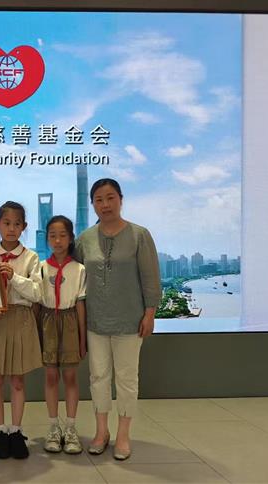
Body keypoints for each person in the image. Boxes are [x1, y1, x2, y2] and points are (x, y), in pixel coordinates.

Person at [75, 178, 161, 461]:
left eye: (110, 198)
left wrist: (150, 313)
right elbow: (75, 278)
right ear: (92, 204)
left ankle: (123, 434)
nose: (105, 204)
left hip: (130, 321)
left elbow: (151, 278)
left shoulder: (139, 235)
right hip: (95, 322)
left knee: (126, 379)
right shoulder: (85, 239)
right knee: (98, 377)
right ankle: (102, 432)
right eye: (99, 200)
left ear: (121, 200)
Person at [0, 201, 43, 459]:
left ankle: (16, 431)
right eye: (6, 223)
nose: (11, 228)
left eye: (17, 224)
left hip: (21, 319)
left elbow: (37, 293)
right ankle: (0, 430)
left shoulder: (31, 257)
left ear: (24, 227)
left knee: (17, 380)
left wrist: (14, 277)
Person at [38, 215, 87, 455]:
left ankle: (71, 428)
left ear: (70, 238)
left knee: (70, 377)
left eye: (62, 235)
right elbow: (36, 303)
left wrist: (82, 338)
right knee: (50, 377)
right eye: (52, 236)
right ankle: (53, 428)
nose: (57, 241)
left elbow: (80, 305)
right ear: (47, 239)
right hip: (47, 321)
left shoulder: (79, 269)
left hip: (70, 322)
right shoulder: (40, 267)